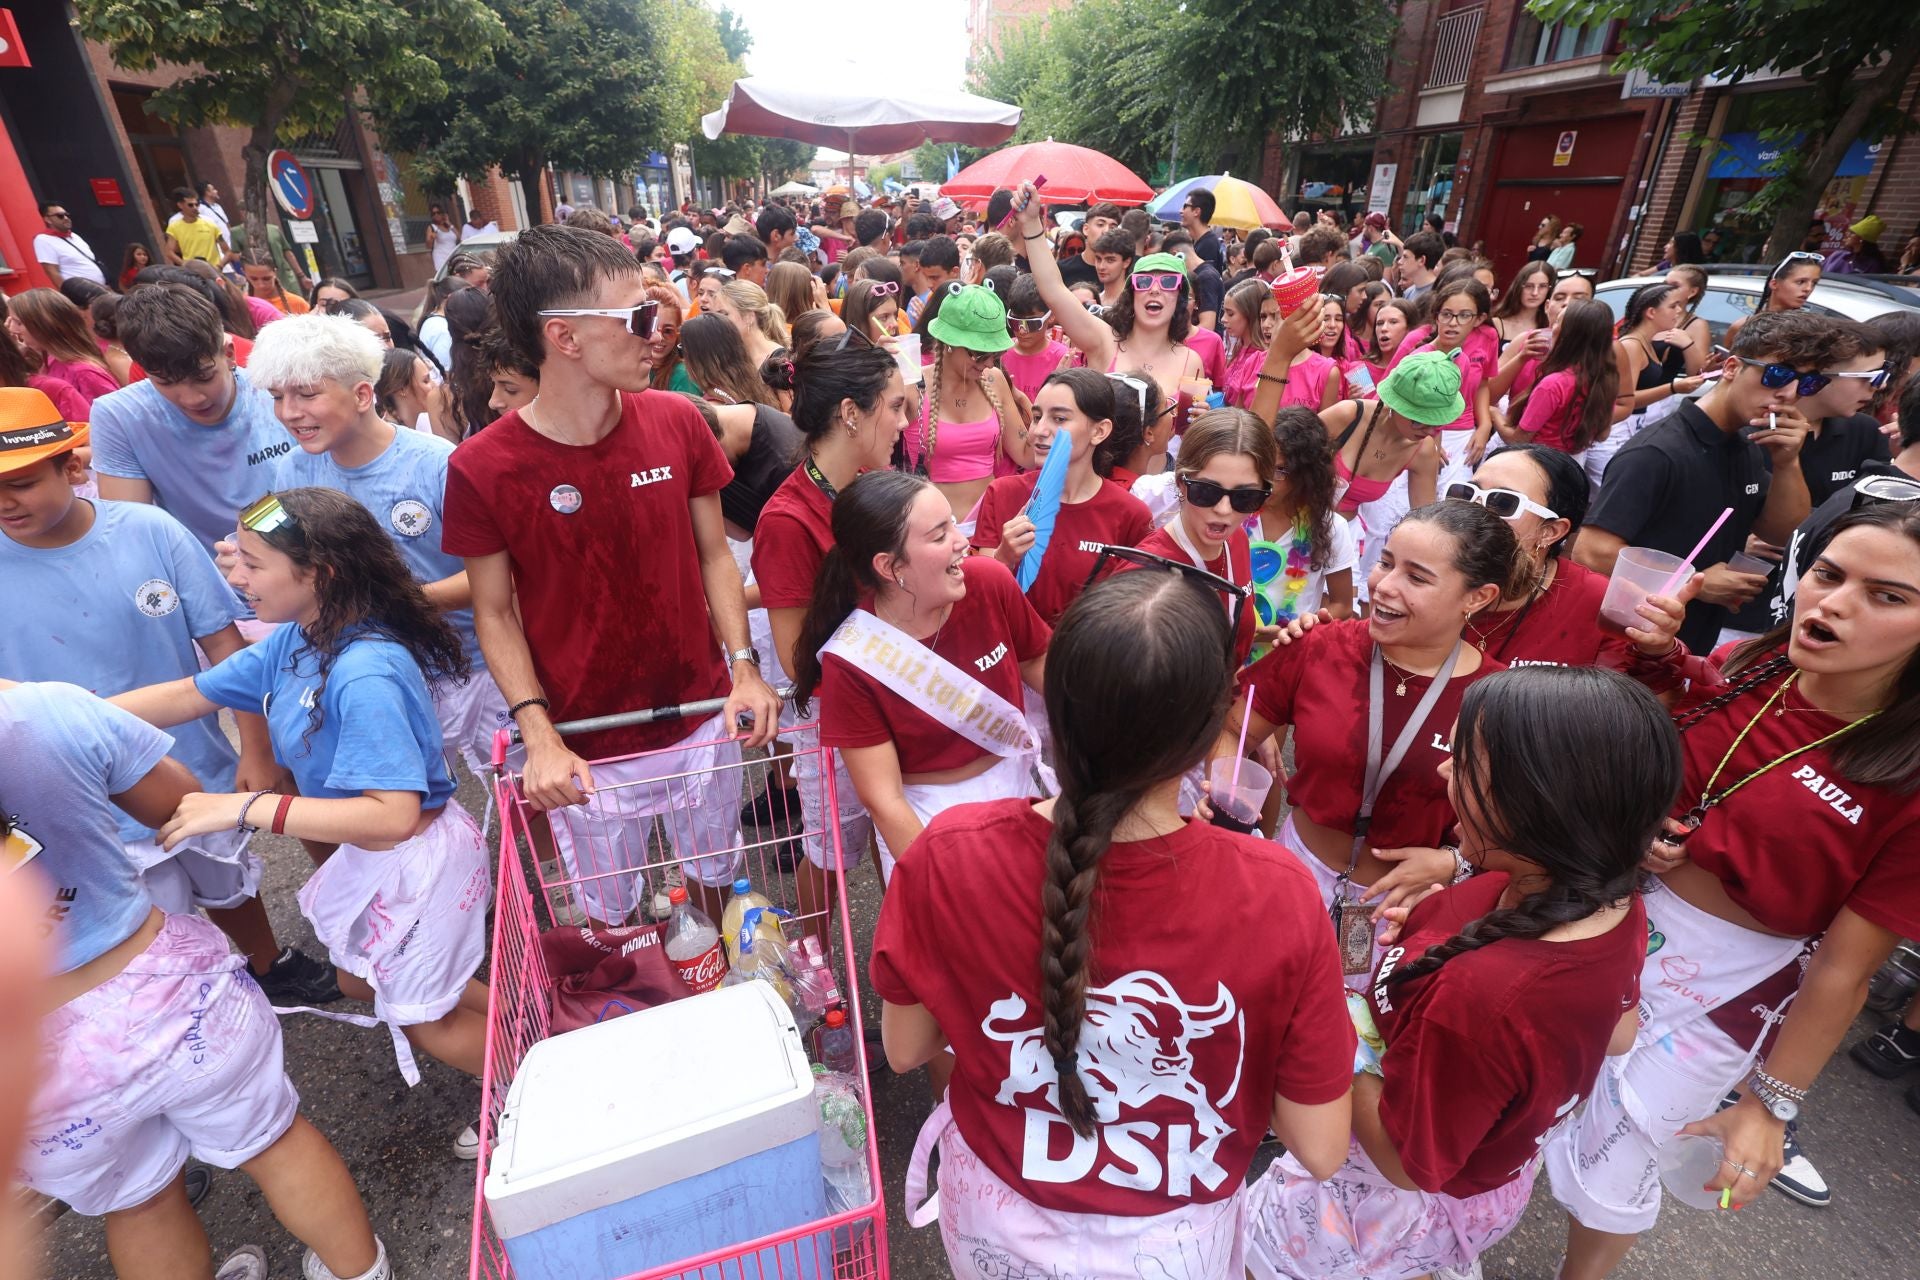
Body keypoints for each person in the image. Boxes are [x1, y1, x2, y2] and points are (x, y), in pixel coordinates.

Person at [872, 570, 1354, 1276]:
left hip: (995, 1225)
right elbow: (1319, 1145)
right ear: (1201, 738)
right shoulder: (1278, 894)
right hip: (1170, 1247)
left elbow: (908, 1047)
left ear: (1053, 711)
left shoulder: (946, 853)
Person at [1548, 500, 1920, 1277]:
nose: (1836, 603)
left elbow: (1846, 972)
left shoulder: (1908, 776)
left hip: (1724, 994)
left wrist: (1769, 1106)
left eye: (1888, 596)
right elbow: (1689, 749)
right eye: (1828, 575)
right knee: (1526, 1092)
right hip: (1608, 919)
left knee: (1624, 1157)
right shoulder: (1758, 665)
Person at [1245, 666, 1679, 1280]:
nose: (1444, 771)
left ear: (1538, 803)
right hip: (1481, 1181)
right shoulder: (1608, 901)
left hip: (1372, 1206)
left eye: (1467, 765)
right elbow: (1618, 1032)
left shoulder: (1483, 997)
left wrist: (1335, 1017)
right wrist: (1413, 946)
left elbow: (1401, 1161)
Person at [441, 224, 779, 927]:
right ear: (564, 338)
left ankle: (722, 989)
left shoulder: (680, 421)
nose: (656, 333)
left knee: (718, 879)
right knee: (609, 916)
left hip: (699, 716)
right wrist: (538, 735)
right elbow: (494, 612)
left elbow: (715, 554)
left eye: (655, 310)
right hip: (583, 739)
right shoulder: (481, 468)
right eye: (635, 318)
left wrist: (744, 668)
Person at [113, 487, 492, 1110]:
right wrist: (61, 716)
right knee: (368, 980)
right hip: (384, 859)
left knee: (429, 1019)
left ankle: (539, 1090)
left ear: (318, 574)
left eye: (253, 563)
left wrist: (242, 807)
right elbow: (190, 693)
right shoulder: (301, 638)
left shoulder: (364, 670)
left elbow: (393, 815)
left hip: (417, 860)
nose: (235, 575)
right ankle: (530, 1028)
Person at [3, 678, 390, 1280]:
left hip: (29, 1059)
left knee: (139, 1200)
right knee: (273, 1140)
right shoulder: (44, 708)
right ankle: (362, 1271)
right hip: (162, 992)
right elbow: (175, 801)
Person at [0, 385, 340, 1000]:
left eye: (20, 481)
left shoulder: (151, 530)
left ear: (72, 466)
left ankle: (269, 964)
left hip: (190, 765)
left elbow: (223, 647)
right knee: (142, 920)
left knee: (227, 876)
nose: (5, 501)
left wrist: (255, 748)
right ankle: (188, 1009)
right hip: (77, 796)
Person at [1218, 500, 1522, 986]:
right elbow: (1234, 728)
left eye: (1417, 578)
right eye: (1385, 562)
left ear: (1477, 597)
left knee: (1349, 1040)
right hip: (1294, 873)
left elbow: (1520, 833)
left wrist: (1454, 862)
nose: (1384, 586)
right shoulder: (1320, 646)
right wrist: (1228, 813)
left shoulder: (1500, 702)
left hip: (1404, 911)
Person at [241, 313, 510, 777]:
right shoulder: (288, 475)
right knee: (414, 801)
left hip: (478, 663)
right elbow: (267, 538)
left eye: (307, 394)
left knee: (522, 795)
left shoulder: (441, 464)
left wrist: (388, 603)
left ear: (363, 394)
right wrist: (248, 556)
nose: (288, 412)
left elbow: (499, 575)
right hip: (381, 672)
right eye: (277, 397)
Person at [793, 470, 1048, 881]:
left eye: (953, 524)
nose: (963, 541)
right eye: (940, 533)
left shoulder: (990, 581)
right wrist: (938, 881)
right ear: (891, 566)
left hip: (1017, 787)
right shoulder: (852, 660)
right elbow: (884, 799)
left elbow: (1040, 665)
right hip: (927, 815)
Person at [1576, 310, 1821, 656]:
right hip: (1626, 648)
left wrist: (1788, 463)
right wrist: (1697, 581)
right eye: (1777, 375)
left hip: (1687, 645)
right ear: (1733, 368)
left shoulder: (1745, 445)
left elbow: (1782, 534)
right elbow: (1591, 552)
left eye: (1808, 384)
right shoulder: (1657, 451)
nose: (1790, 393)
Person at [87, 285, 288, 584]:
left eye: (204, 377)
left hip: (305, 562)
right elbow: (134, 533)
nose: (192, 398)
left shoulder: (278, 393)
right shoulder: (120, 415)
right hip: (204, 581)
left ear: (228, 353)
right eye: (166, 382)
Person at [1447, 444, 1690, 669]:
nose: (1473, 510)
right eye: (1465, 493)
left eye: (1503, 502)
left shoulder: (1598, 601)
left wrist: (1657, 650)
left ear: (1550, 531)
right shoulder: (1427, 571)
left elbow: (1645, 699)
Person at [972, 368, 1152, 623]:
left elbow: (1133, 612)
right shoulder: (1003, 493)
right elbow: (982, 600)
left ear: (1099, 431)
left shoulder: (1130, 514)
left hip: (1083, 658)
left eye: (1059, 419)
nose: (1038, 431)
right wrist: (1005, 557)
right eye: (1036, 417)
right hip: (1012, 654)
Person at [1126, 409, 1276, 665]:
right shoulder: (1145, 572)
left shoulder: (1236, 539)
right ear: (1181, 484)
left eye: (1245, 497)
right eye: (1206, 492)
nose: (1224, 510)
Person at [905, 283, 1029, 524]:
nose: (989, 364)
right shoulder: (912, 386)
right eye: (979, 354)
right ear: (949, 342)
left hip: (990, 527)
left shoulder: (994, 380)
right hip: (931, 528)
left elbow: (1026, 453)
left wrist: (1031, 403)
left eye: (996, 355)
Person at [1247, 407, 1358, 635]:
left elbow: (1342, 605)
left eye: (1280, 470)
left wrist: (1301, 627)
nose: (1266, 481)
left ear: (1305, 474)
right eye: (1263, 467)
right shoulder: (1236, 510)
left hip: (1290, 651)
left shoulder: (1330, 527)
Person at [1502, 297, 1619, 453]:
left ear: (1568, 334)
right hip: (1571, 461)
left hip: (1536, 459)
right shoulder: (1607, 379)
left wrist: (1494, 414)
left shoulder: (1553, 384)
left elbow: (1518, 440)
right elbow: (1603, 435)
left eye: (1557, 322)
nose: (1552, 327)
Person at [2, 288, 120, 406]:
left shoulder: (85, 372)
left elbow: (112, 415)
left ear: (45, 326)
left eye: (18, 323)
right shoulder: (49, 359)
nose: (12, 329)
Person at [1725, 250, 1822, 348]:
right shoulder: (1741, 326)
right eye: (1801, 282)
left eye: (1814, 283)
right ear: (1774, 284)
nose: (1808, 289)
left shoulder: (1810, 331)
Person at [999, 274, 1070, 404]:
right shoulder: (999, 354)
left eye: (1031, 323)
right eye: (1015, 322)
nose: (1022, 330)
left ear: (1051, 316)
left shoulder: (1063, 359)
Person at [376, 345, 457, 443]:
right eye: (426, 381)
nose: (435, 385)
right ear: (402, 389)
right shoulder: (388, 439)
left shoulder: (435, 419)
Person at [1220, 278, 1273, 408]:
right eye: (1224, 312)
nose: (1223, 319)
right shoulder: (1239, 347)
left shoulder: (1262, 358)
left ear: (1250, 315)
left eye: (1230, 314)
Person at [642, 282, 701, 395]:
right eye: (651, 328)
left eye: (668, 331)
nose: (659, 337)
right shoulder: (627, 365)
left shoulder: (683, 376)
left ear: (678, 333)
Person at [34, 201, 109, 288]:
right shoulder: (43, 239)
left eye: (66, 214)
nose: (66, 218)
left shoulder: (74, 236)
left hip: (102, 289)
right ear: (47, 219)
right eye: (60, 216)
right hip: (82, 294)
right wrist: (70, 295)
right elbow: (52, 272)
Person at [164, 187, 231, 268]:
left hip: (216, 270)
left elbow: (226, 250)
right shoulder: (174, 226)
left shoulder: (209, 222)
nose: (195, 207)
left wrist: (220, 265)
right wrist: (184, 264)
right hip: (195, 274)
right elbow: (169, 252)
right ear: (180, 205)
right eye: (190, 205)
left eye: (197, 204)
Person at [1181, 188, 1227, 275]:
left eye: (1185, 206)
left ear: (1196, 212)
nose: (1181, 211)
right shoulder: (1200, 241)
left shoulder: (1208, 245)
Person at [1822, 215, 1887, 275]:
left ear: (1861, 239)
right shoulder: (1837, 255)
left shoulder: (1872, 265)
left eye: (1852, 233)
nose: (1847, 234)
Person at [1396, 231, 1444, 299]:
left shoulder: (1438, 296)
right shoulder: (1409, 292)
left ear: (1421, 260)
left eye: (1405, 257)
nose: (1399, 262)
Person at [426, 204, 460, 274]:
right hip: (441, 257)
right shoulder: (432, 227)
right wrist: (432, 238)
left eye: (438, 212)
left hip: (453, 256)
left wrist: (449, 223)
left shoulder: (449, 226)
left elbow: (459, 237)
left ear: (443, 213)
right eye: (433, 213)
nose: (436, 215)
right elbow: (428, 246)